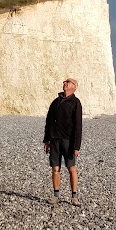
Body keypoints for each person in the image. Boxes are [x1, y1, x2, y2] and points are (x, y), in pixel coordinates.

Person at [43, 78, 83, 206]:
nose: (65, 83)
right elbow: (49, 121)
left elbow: (78, 125)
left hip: (68, 141)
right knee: (55, 169)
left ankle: (74, 196)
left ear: (74, 87)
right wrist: (46, 139)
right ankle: (56, 195)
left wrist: (76, 146)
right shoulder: (55, 102)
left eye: (69, 82)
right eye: (65, 82)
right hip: (55, 140)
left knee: (71, 168)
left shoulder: (76, 103)